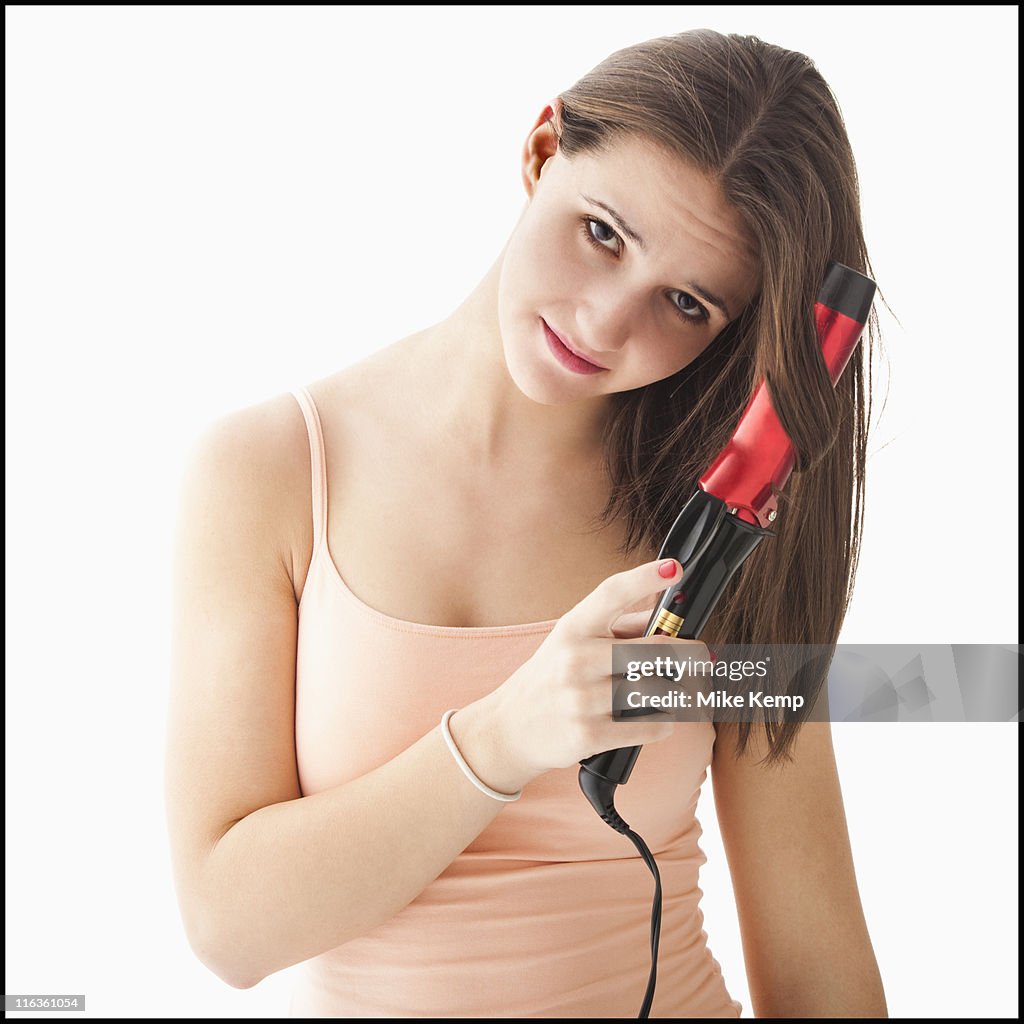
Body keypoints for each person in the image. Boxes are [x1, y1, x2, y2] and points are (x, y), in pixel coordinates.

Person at [165, 28, 888, 1018]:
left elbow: (818, 968)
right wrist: (506, 734)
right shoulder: (272, 470)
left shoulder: (724, 526)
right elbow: (229, 926)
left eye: (683, 301)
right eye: (602, 232)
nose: (603, 324)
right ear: (543, 149)